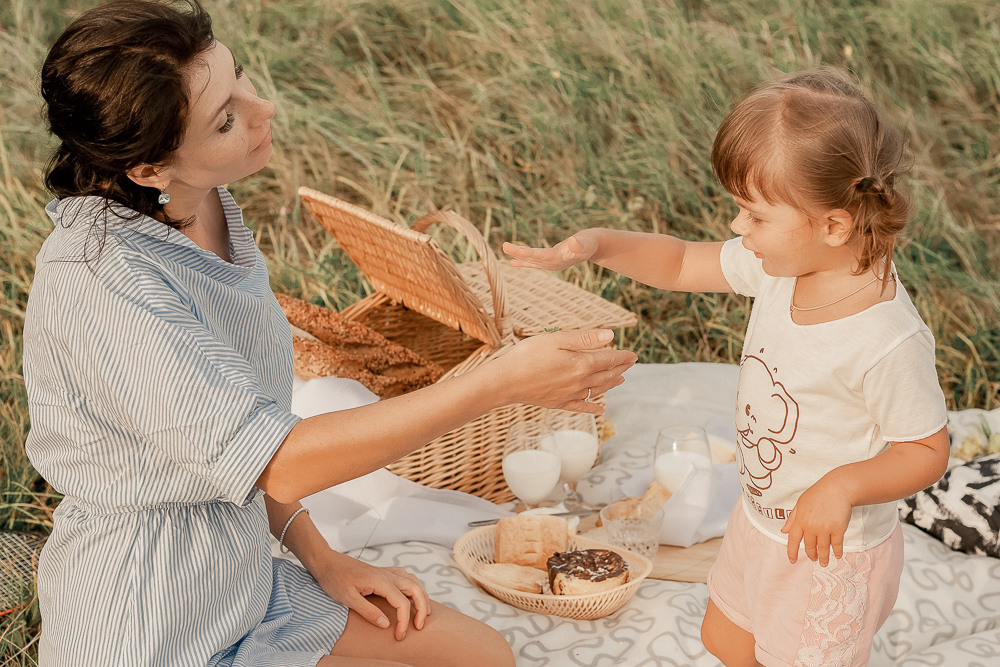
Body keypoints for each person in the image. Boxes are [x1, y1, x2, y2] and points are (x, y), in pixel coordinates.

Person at [23, 1, 638, 665]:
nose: (264, 112)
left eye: (242, 78)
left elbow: (230, 438)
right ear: (148, 169)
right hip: (149, 622)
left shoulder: (202, 203)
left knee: (483, 655)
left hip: (243, 585)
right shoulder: (106, 286)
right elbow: (275, 456)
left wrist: (320, 556)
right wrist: (494, 385)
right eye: (227, 119)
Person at [504, 68, 950, 667]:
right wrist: (596, 245)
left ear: (834, 225)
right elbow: (684, 263)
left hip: (829, 554)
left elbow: (925, 449)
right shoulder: (780, 265)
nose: (739, 229)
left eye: (756, 215)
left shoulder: (885, 339)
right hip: (759, 523)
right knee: (726, 639)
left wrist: (841, 486)